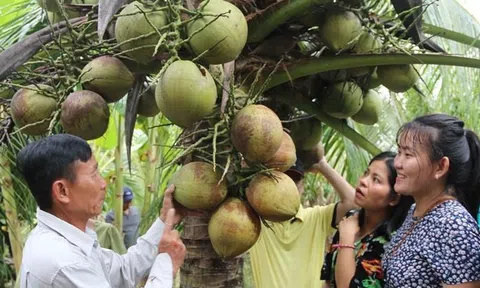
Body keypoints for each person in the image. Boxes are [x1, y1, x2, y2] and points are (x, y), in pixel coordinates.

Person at [16, 134, 189, 287]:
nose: (103, 183)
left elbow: (124, 271)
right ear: (62, 191)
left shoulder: (71, 241)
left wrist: (164, 220)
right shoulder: (64, 262)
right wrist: (165, 265)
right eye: (93, 174)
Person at [382, 114, 480, 287]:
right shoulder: (415, 210)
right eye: (399, 152)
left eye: (408, 154)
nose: (397, 163)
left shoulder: (452, 224)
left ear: (441, 167)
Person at [249, 147, 357, 288]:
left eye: (295, 179)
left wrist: (322, 165)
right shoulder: (257, 220)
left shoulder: (317, 218)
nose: (289, 185)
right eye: (283, 178)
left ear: (303, 187)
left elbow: (353, 202)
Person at [320, 152, 414, 288]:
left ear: (394, 198)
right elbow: (328, 279)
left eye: (376, 179)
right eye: (366, 173)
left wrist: (346, 239)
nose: (363, 181)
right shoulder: (350, 218)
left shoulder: (390, 244)